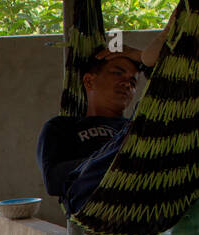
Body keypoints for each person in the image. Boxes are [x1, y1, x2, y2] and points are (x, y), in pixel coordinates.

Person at [36, 22, 171, 216]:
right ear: (89, 80)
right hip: (90, 200)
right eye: (117, 73)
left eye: (133, 82)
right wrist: (117, 159)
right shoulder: (61, 127)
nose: (127, 84)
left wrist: (140, 56)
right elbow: (53, 181)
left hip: (140, 198)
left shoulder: (136, 127)